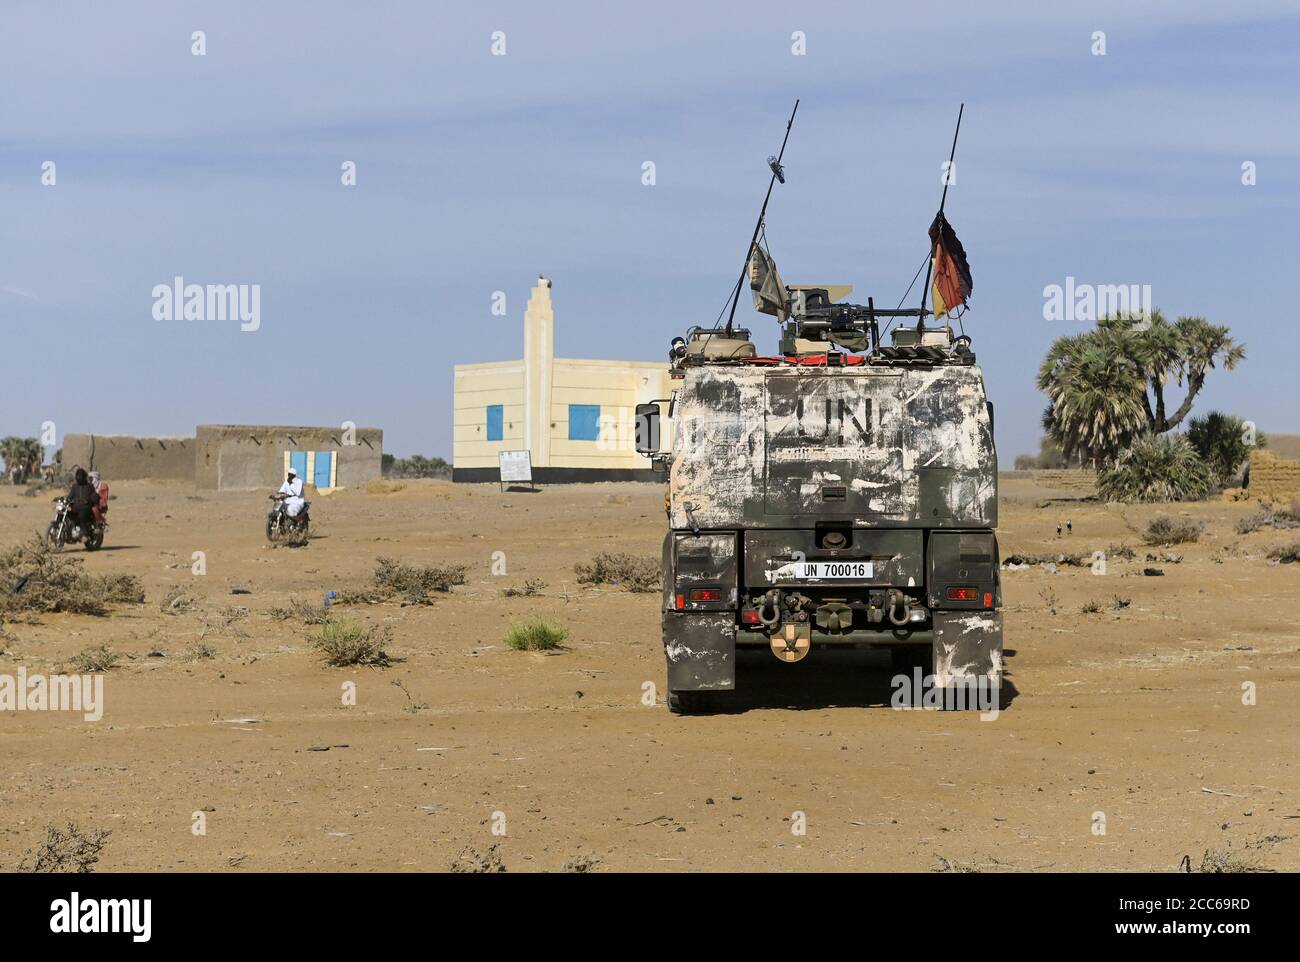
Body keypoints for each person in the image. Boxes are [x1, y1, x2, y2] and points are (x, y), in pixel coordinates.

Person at [66, 468, 99, 535]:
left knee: (81, 516)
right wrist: (64, 499)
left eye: (80, 475)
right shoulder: (75, 486)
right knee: (67, 512)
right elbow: (70, 496)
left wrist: (88, 501)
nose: (79, 477)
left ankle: (85, 533)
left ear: (84, 476)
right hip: (76, 507)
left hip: (86, 508)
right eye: (78, 475)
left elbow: (94, 496)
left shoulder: (89, 486)